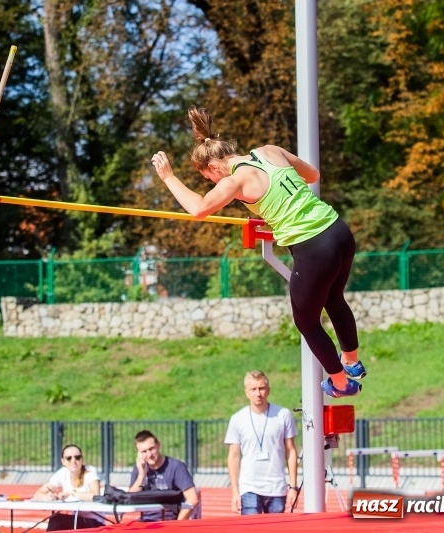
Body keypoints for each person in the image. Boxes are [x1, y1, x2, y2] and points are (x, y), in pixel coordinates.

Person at [150, 106, 367, 397]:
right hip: (338, 231)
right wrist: (277, 203)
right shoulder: (269, 150)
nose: (214, 185)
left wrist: (168, 178)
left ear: (213, 168)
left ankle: (341, 384)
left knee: (306, 321)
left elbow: (200, 208)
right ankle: (351, 362)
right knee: (333, 298)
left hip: (313, 246)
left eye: (209, 179)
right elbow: (312, 175)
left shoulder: (233, 180)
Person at [225, 370, 299, 514]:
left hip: (276, 487)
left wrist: (293, 486)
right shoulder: (237, 419)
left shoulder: (283, 415)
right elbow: (233, 456)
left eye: (261, 388)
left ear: (268, 390)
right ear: (246, 392)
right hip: (249, 487)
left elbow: (291, 450)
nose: (258, 393)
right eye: (253, 389)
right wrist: (235, 491)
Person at [129, 429, 199, 521]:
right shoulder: (139, 468)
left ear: (158, 445)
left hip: (170, 520)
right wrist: (141, 475)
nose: (149, 454)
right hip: (145, 521)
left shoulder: (176, 467)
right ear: (139, 453)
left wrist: (177, 524)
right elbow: (130, 499)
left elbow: (193, 499)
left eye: (151, 449)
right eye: (144, 451)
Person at [33, 444, 105, 530]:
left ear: (82, 459)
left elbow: (95, 495)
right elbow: (37, 494)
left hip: (94, 521)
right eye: (69, 458)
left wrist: (72, 493)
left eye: (77, 457)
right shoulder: (62, 473)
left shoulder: (90, 472)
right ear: (63, 461)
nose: (73, 461)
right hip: (76, 520)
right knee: (55, 520)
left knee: (56, 521)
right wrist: (49, 497)